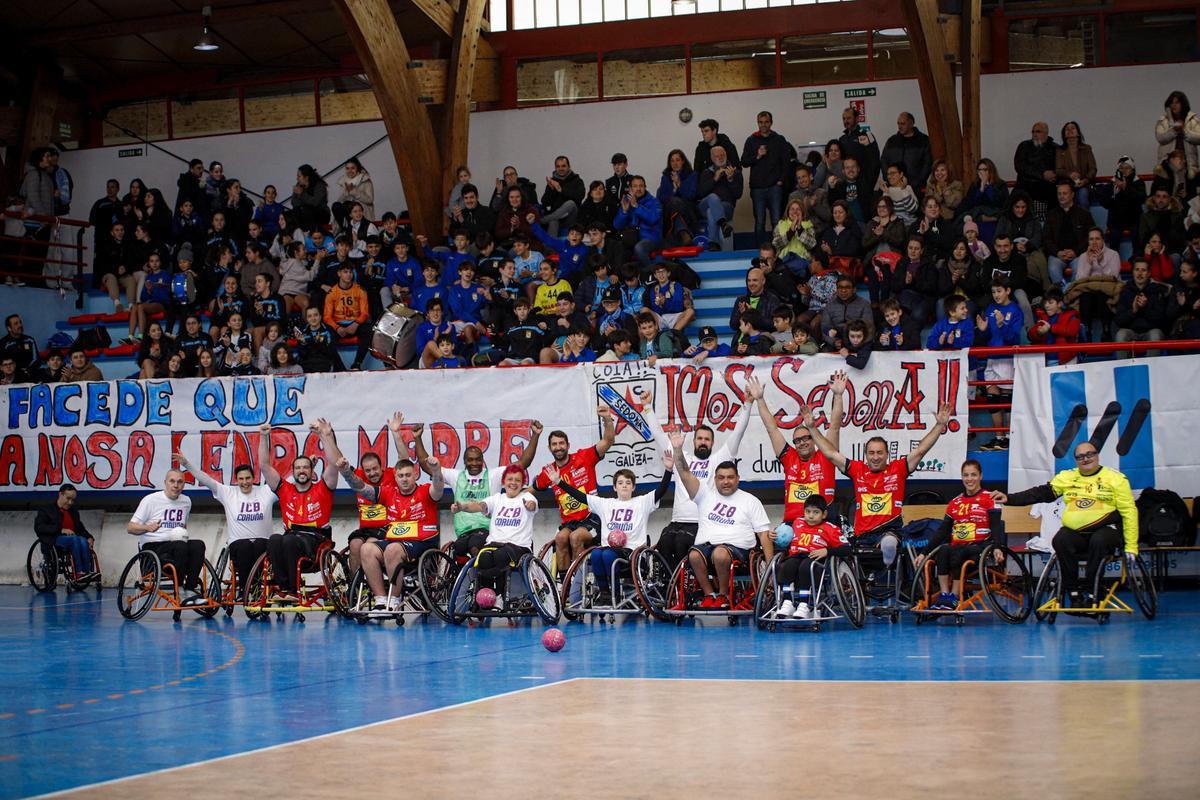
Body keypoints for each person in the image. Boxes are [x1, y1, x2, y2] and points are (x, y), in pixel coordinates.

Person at [803, 400, 953, 578]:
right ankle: (861, 582)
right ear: (866, 455)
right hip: (862, 536)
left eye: (880, 453)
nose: (875, 457)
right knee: (839, 553)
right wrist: (812, 428)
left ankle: (885, 573)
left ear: (887, 454)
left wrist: (939, 425)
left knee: (889, 544)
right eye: (871, 453)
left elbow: (921, 450)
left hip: (889, 531)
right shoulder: (858, 470)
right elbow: (830, 453)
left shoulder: (898, 469)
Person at [991, 442, 1138, 607]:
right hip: (1077, 534)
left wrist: (1131, 546)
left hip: (1106, 530)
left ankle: (1092, 590)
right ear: (1076, 460)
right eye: (1080, 457)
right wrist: (1010, 499)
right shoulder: (1068, 477)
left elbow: (1129, 512)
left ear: (1097, 455)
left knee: (1100, 539)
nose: (1086, 459)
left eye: (1090, 454)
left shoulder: (1116, 479)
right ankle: (1073, 592)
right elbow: (1040, 493)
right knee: (1060, 539)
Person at [406, 414, 542, 561]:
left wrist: (535, 435)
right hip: (463, 532)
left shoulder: (493, 475)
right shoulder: (456, 476)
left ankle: (480, 574)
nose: (474, 463)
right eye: (470, 460)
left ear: (483, 460)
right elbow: (428, 466)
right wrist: (417, 438)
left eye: (478, 459)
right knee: (457, 548)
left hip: (486, 532)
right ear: (464, 461)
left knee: (474, 545)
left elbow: (522, 463)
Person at [643, 386, 753, 567]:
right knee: (664, 543)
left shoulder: (718, 459)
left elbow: (738, 433)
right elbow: (658, 435)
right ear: (693, 441)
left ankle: (686, 590)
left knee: (680, 545)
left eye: (707, 439)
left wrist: (748, 403)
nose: (703, 442)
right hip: (676, 521)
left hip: (701, 523)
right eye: (699, 438)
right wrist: (648, 407)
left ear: (712, 443)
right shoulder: (682, 457)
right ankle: (670, 590)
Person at [546, 454, 674, 605]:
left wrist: (668, 469)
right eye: (620, 483)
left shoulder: (642, 502)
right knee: (595, 554)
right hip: (609, 548)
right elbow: (580, 496)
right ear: (614, 487)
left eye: (628, 482)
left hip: (631, 552)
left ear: (633, 487)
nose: (624, 485)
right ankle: (605, 593)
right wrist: (558, 482)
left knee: (606, 555)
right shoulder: (605, 504)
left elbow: (661, 490)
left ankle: (615, 593)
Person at [668, 430, 772, 610]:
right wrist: (677, 450)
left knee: (720, 554)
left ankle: (724, 595)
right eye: (721, 478)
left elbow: (764, 535)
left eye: (730, 477)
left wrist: (770, 568)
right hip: (707, 548)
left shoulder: (750, 500)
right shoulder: (704, 495)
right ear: (714, 479)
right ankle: (710, 595)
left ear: (738, 479)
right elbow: (684, 473)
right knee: (694, 554)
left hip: (739, 553)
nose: (726, 482)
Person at [340, 453, 445, 612]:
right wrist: (346, 472)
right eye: (401, 475)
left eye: (408, 475)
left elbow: (438, 488)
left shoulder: (425, 492)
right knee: (366, 548)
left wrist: (436, 470)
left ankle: (394, 599)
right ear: (395, 477)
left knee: (392, 549)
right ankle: (381, 600)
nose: (404, 479)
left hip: (421, 542)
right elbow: (361, 487)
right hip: (395, 540)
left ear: (416, 475)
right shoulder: (389, 492)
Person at [752, 373, 844, 551]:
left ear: (813, 439)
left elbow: (835, 425)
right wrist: (760, 400)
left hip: (820, 525)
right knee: (770, 540)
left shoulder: (825, 455)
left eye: (806, 438)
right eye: (797, 440)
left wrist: (838, 396)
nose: (802, 443)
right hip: (791, 527)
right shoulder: (789, 457)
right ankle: (774, 578)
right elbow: (771, 428)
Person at [259, 418, 342, 602]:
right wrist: (264, 438)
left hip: (315, 541)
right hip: (291, 537)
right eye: (298, 468)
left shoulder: (324, 487)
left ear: (312, 471)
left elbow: (335, 463)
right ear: (293, 471)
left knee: (288, 541)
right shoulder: (284, 489)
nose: (301, 470)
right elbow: (264, 466)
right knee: (274, 539)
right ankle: (283, 587)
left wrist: (325, 435)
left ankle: (293, 590)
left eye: (305, 467)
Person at [175, 452, 275, 600]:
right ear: (236, 480)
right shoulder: (228, 493)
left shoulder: (266, 491)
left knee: (260, 543)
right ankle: (244, 590)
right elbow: (206, 479)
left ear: (254, 478)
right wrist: (187, 464)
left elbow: (287, 482)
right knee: (244, 546)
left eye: (248, 478)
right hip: (239, 545)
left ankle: (255, 588)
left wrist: (310, 465)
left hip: (263, 544)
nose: (245, 482)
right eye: (241, 479)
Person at [532, 408, 617, 573]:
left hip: (592, 518)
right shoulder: (548, 472)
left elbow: (608, 440)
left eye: (561, 443)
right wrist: (519, 500)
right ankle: (565, 587)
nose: (558, 447)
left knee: (575, 537)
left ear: (568, 445)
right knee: (561, 537)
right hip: (569, 523)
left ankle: (578, 585)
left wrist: (607, 418)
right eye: (554, 444)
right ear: (549, 448)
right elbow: (532, 489)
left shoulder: (584, 457)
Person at [912, 459, 1003, 610]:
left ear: (981, 476)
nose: (969, 479)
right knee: (943, 550)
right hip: (957, 546)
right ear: (962, 477)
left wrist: (998, 547)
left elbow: (996, 526)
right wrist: (924, 553)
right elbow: (942, 531)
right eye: (966, 475)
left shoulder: (990, 498)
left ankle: (955, 596)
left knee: (960, 551)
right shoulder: (955, 502)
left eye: (973, 475)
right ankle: (944, 595)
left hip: (979, 547)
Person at [450, 465, 541, 611]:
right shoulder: (497, 498)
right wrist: (462, 507)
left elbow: (532, 506)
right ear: (504, 482)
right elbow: (479, 506)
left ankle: (498, 597)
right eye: (510, 479)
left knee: (500, 556)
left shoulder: (527, 497)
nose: (513, 482)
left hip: (519, 546)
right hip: (494, 543)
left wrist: (530, 505)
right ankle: (485, 597)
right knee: (484, 557)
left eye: (518, 480)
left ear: (523, 483)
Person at [127, 469, 206, 604]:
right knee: (180, 546)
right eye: (172, 481)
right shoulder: (151, 500)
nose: (176, 485)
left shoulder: (186, 501)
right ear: (165, 483)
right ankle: (180, 589)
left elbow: (183, 526)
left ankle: (190, 589)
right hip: (154, 547)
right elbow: (130, 527)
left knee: (198, 544)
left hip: (176, 545)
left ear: (184, 484)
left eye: (180, 482)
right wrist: (147, 527)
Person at [772, 496, 850, 619]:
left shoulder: (830, 528)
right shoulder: (797, 523)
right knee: (786, 566)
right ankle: (787, 603)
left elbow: (847, 548)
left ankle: (804, 605)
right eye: (808, 512)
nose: (811, 516)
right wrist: (775, 534)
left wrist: (827, 550)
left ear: (824, 514)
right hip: (796, 555)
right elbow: (782, 537)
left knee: (806, 566)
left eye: (816, 512)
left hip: (815, 559)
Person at [741, 111, 793, 244]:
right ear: (757, 123)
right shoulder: (751, 140)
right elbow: (744, 162)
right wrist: (757, 156)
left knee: (776, 220)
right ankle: (760, 251)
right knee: (760, 221)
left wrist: (781, 180)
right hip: (757, 188)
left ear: (771, 123)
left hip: (775, 186)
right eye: (761, 122)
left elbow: (786, 162)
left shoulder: (779, 139)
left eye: (766, 122)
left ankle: (778, 248)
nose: (763, 125)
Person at [33, 484, 96, 581]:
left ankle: (86, 572)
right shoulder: (47, 510)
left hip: (72, 539)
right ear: (60, 494)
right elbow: (39, 527)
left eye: (73, 500)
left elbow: (80, 529)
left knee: (83, 540)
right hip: (54, 539)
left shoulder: (73, 512)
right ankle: (79, 572)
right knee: (75, 539)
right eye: (68, 498)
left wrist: (89, 537)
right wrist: (60, 530)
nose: (70, 502)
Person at [1043, 180, 1095, 286]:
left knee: (1079, 269)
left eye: (1065, 193)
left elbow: (1090, 237)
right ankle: (1061, 296)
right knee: (1052, 268)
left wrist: (1075, 251)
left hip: (1078, 254)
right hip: (1057, 255)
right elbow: (1046, 239)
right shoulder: (1051, 215)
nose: (1061, 196)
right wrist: (1057, 252)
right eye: (1059, 194)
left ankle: (1073, 295)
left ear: (1072, 195)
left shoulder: (1084, 214)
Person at [1114, 257, 1170, 355]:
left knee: (1155, 335)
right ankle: (1124, 369)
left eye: (1143, 270)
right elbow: (1119, 320)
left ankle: (1152, 368)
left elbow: (1162, 321)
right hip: (1131, 331)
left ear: (1149, 274)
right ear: (1133, 272)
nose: (1140, 274)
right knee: (1120, 334)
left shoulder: (1157, 291)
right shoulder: (1125, 291)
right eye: (1137, 270)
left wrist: (1145, 307)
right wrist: (1133, 311)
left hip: (1151, 331)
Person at [696, 145, 743, 251]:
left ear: (726, 155)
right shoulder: (706, 172)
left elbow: (738, 195)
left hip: (726, 206)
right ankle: (723, 224)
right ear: (712, 158)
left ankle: (714, 244)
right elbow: (700, 193)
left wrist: (731, 180)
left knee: (711, 211)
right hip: (705, 204)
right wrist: (715, 179)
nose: (720, 158)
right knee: (713, 197)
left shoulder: (736, 172)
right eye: (717, 156)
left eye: (722, 155)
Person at [613, 175, 662, 268]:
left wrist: (636, 206)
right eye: (635, 186)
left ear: (645, 187)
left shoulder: (654, 201)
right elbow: (617, 225)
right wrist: (624, 212)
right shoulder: (627, 201)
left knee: (639, 248)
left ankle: (651, 273)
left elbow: (653, 219)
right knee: (618, 248)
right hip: (631, 239)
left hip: (650, 239)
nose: (638, 189)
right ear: (630, 189)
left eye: (641, 186)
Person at [1013, 121, 1058, 219]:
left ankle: (1050, 225)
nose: (1034, 134)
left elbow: (1059, 167)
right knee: (1014, 198)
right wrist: (1042, 174)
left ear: (1046, 133)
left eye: (1038, 132)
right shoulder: (1024, 146)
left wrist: (1053, 175)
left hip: (1046, 185)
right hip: (1025, 183)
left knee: (1056, 193)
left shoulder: (1055, 148)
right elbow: (1020, 166)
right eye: (1033, 132)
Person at [881, 112, 933, 190]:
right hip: (893, 187)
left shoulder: (924, 141)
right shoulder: (892, 141)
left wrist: (917, 182)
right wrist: (888, 178)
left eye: (902, 124)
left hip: (916, 188)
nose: (899, 127)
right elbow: (884, 160)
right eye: (898, 124)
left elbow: (928, 163)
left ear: (911, 124)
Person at [539, 156, 584, 238]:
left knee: (570, 203)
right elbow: (544, 202)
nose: (561, 168)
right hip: (557, 218)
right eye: (558, 166)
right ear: (555, 168)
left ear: (569, 167)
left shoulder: (577, 180)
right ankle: (550, 249)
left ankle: (543, 221)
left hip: (571, 218)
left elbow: (580, 196)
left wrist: (560, 190)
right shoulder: (552, 182)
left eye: (563, 166)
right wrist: (552, 189)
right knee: (553, 221)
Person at [1056, 121, 1097, 209]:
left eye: (1073, 128)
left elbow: (1093, 169)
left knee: (1082, 194)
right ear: (1064, 134)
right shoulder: (1060, 150)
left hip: (1085, 185)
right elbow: (1058, 170)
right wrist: (1070, 174)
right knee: (1063, 195)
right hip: (1067, 185)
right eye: (1067, 129)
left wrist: (1085, 180)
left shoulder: (1086, 149)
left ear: (1078, 132)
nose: (1070, 130)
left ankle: (1084, 221)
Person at [332, 158, 374, 229]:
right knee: (336, 205)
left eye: (352, 168)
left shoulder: (365, 180)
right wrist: (346, 192)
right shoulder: (343, 181)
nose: (350, 171)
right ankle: (344, 228)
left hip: (362, 211)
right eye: (347, 168)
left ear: (357, 168)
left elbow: (370, 200)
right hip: (348, 211)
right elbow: (340, 200)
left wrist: (355, 192)